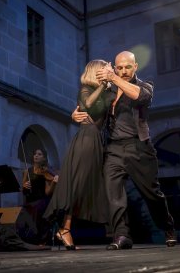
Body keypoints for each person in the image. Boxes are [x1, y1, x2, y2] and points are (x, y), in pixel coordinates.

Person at [72, 51, 177, 249]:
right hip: (113, 148)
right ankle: (121, 236)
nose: (123, 70)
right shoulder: (108, 91)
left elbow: (139, 97)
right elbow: (91, 109)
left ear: (135, 66)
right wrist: (76, 115)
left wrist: (113, 78)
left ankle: (168, 227)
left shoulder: (145, 85)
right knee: (113, 193)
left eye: (127, 67)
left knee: (152, 194)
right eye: (119, 67)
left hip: (139, 147)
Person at [43, 59, 110, 250]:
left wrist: (107, 84)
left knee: (88, 185)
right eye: (104, 70)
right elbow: (88, 104)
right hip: (87, 138)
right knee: (78, 184)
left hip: (96, 139)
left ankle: (65, 228)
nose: (106, 72)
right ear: (96, 72)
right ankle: (64, 228)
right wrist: (104, 85)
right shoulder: (86, 89)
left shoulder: (105, 91)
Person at [18, 148, 59, 245]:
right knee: (21, 212)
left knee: (38, 208)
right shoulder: (27, 171)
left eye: (39, 154)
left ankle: (41, 239)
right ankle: (26, 238)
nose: (36, 156)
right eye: (35, 154)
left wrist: (53, 182)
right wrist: (23, 186)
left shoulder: (46, 172)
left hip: (41, 200)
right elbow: (23, 190)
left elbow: (48, 192)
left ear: (44, 158)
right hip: (29, 201)